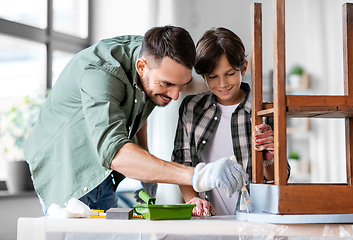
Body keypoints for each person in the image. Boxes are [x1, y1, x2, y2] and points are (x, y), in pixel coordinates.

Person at [23, 26, 249, 213]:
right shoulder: (101, 73)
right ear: (142, 67)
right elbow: (115, 153)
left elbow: (139, 106)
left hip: (103, 173)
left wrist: (145, 153)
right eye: (167, 84)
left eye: (182, 85)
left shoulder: (152, 56)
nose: (175, 95)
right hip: (64, 166)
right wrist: (199, 175)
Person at [172, 27, 290, 216]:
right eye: (213, 77)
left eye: (229, 73)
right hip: (207, 221)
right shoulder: (191, 108)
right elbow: (182, 162)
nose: (222, 84)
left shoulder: (264, 111)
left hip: (254, 220)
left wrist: (270, 160)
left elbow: (280, 177)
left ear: (243, 67)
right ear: (204, 76)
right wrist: (192, 200)